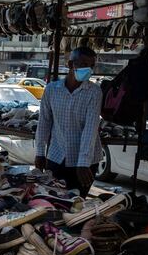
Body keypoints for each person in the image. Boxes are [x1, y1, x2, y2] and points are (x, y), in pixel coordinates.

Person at [34, 46, 102, 197]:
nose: (88, 69)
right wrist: (39, 152)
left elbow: (90, 129)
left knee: (76, 204)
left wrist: (83, 163)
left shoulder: (94, 92)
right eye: (83, 64)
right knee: (51, 199)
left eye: (91, 65)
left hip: (85, 159)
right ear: (71, 65)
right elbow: (44, 122)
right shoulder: (52, 89)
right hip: (57, 155)